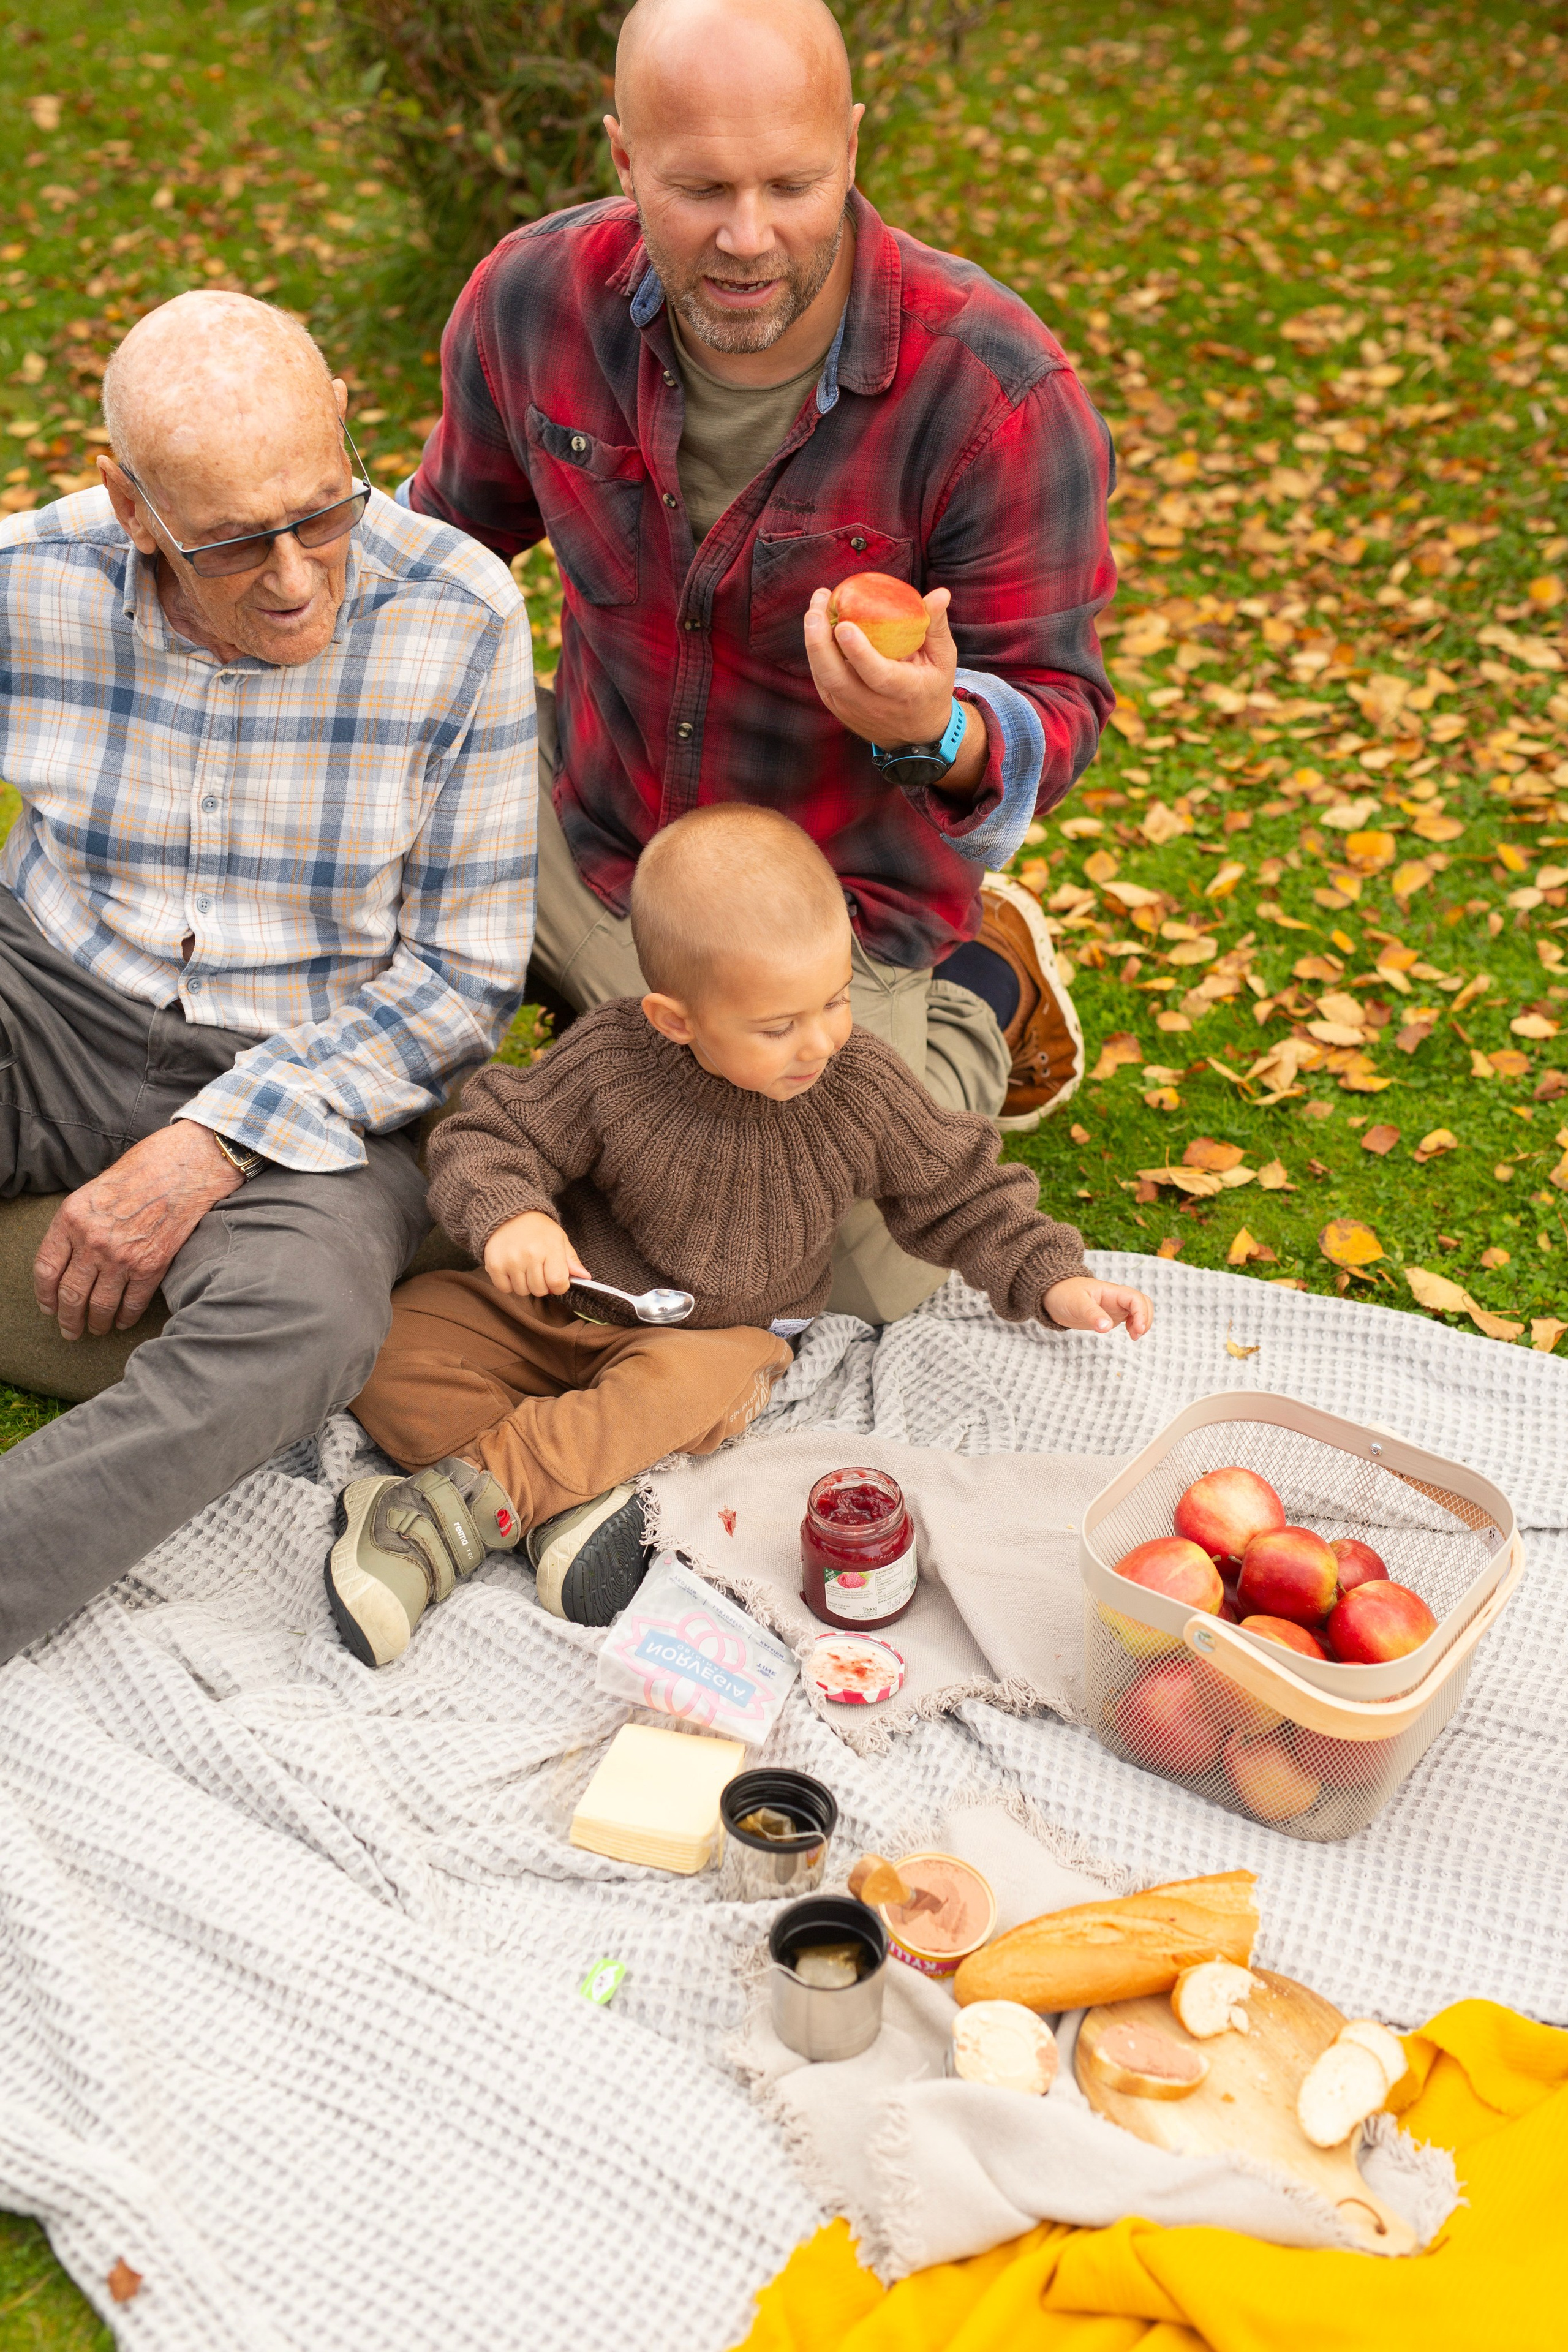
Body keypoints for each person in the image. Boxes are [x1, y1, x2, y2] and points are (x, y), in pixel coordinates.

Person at [403, 0, 1116, 1324]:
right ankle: (627, 1031)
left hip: (828, 916)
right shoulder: (529, 300)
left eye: (791, 183)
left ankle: (976, 991)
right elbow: (440, 545)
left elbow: (1056, 708)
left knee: (825, 1277)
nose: (746, 236)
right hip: (594, 830)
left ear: (849, 144)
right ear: (623, 158)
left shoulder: (990, 389)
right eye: (698, 188)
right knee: (402, 1128)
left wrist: (937, 723)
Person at [0, 291, 534, 1661]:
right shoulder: (29, 581)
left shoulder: (459, 615)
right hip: (51, 995)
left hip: (329, 1067)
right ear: (132, 506)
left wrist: (213, 1143)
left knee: (306, 1323)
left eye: (324, 511)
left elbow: (462, 980)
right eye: (234, 542)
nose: (296, 576)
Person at [331, 806, 1152, 1660]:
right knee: (385, 1338)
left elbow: (956, 1191)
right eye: (777, 1026)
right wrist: (513, 1215)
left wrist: (1055, 1279)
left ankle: (455, 1508)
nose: (820, 1042)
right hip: (568, 1304)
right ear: (676, 1019)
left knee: (700, 1387)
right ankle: (571, 1498)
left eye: (833, 1001)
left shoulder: (854, 1083)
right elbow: (494, 1135)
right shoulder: (615, 1058)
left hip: (709, 1338)